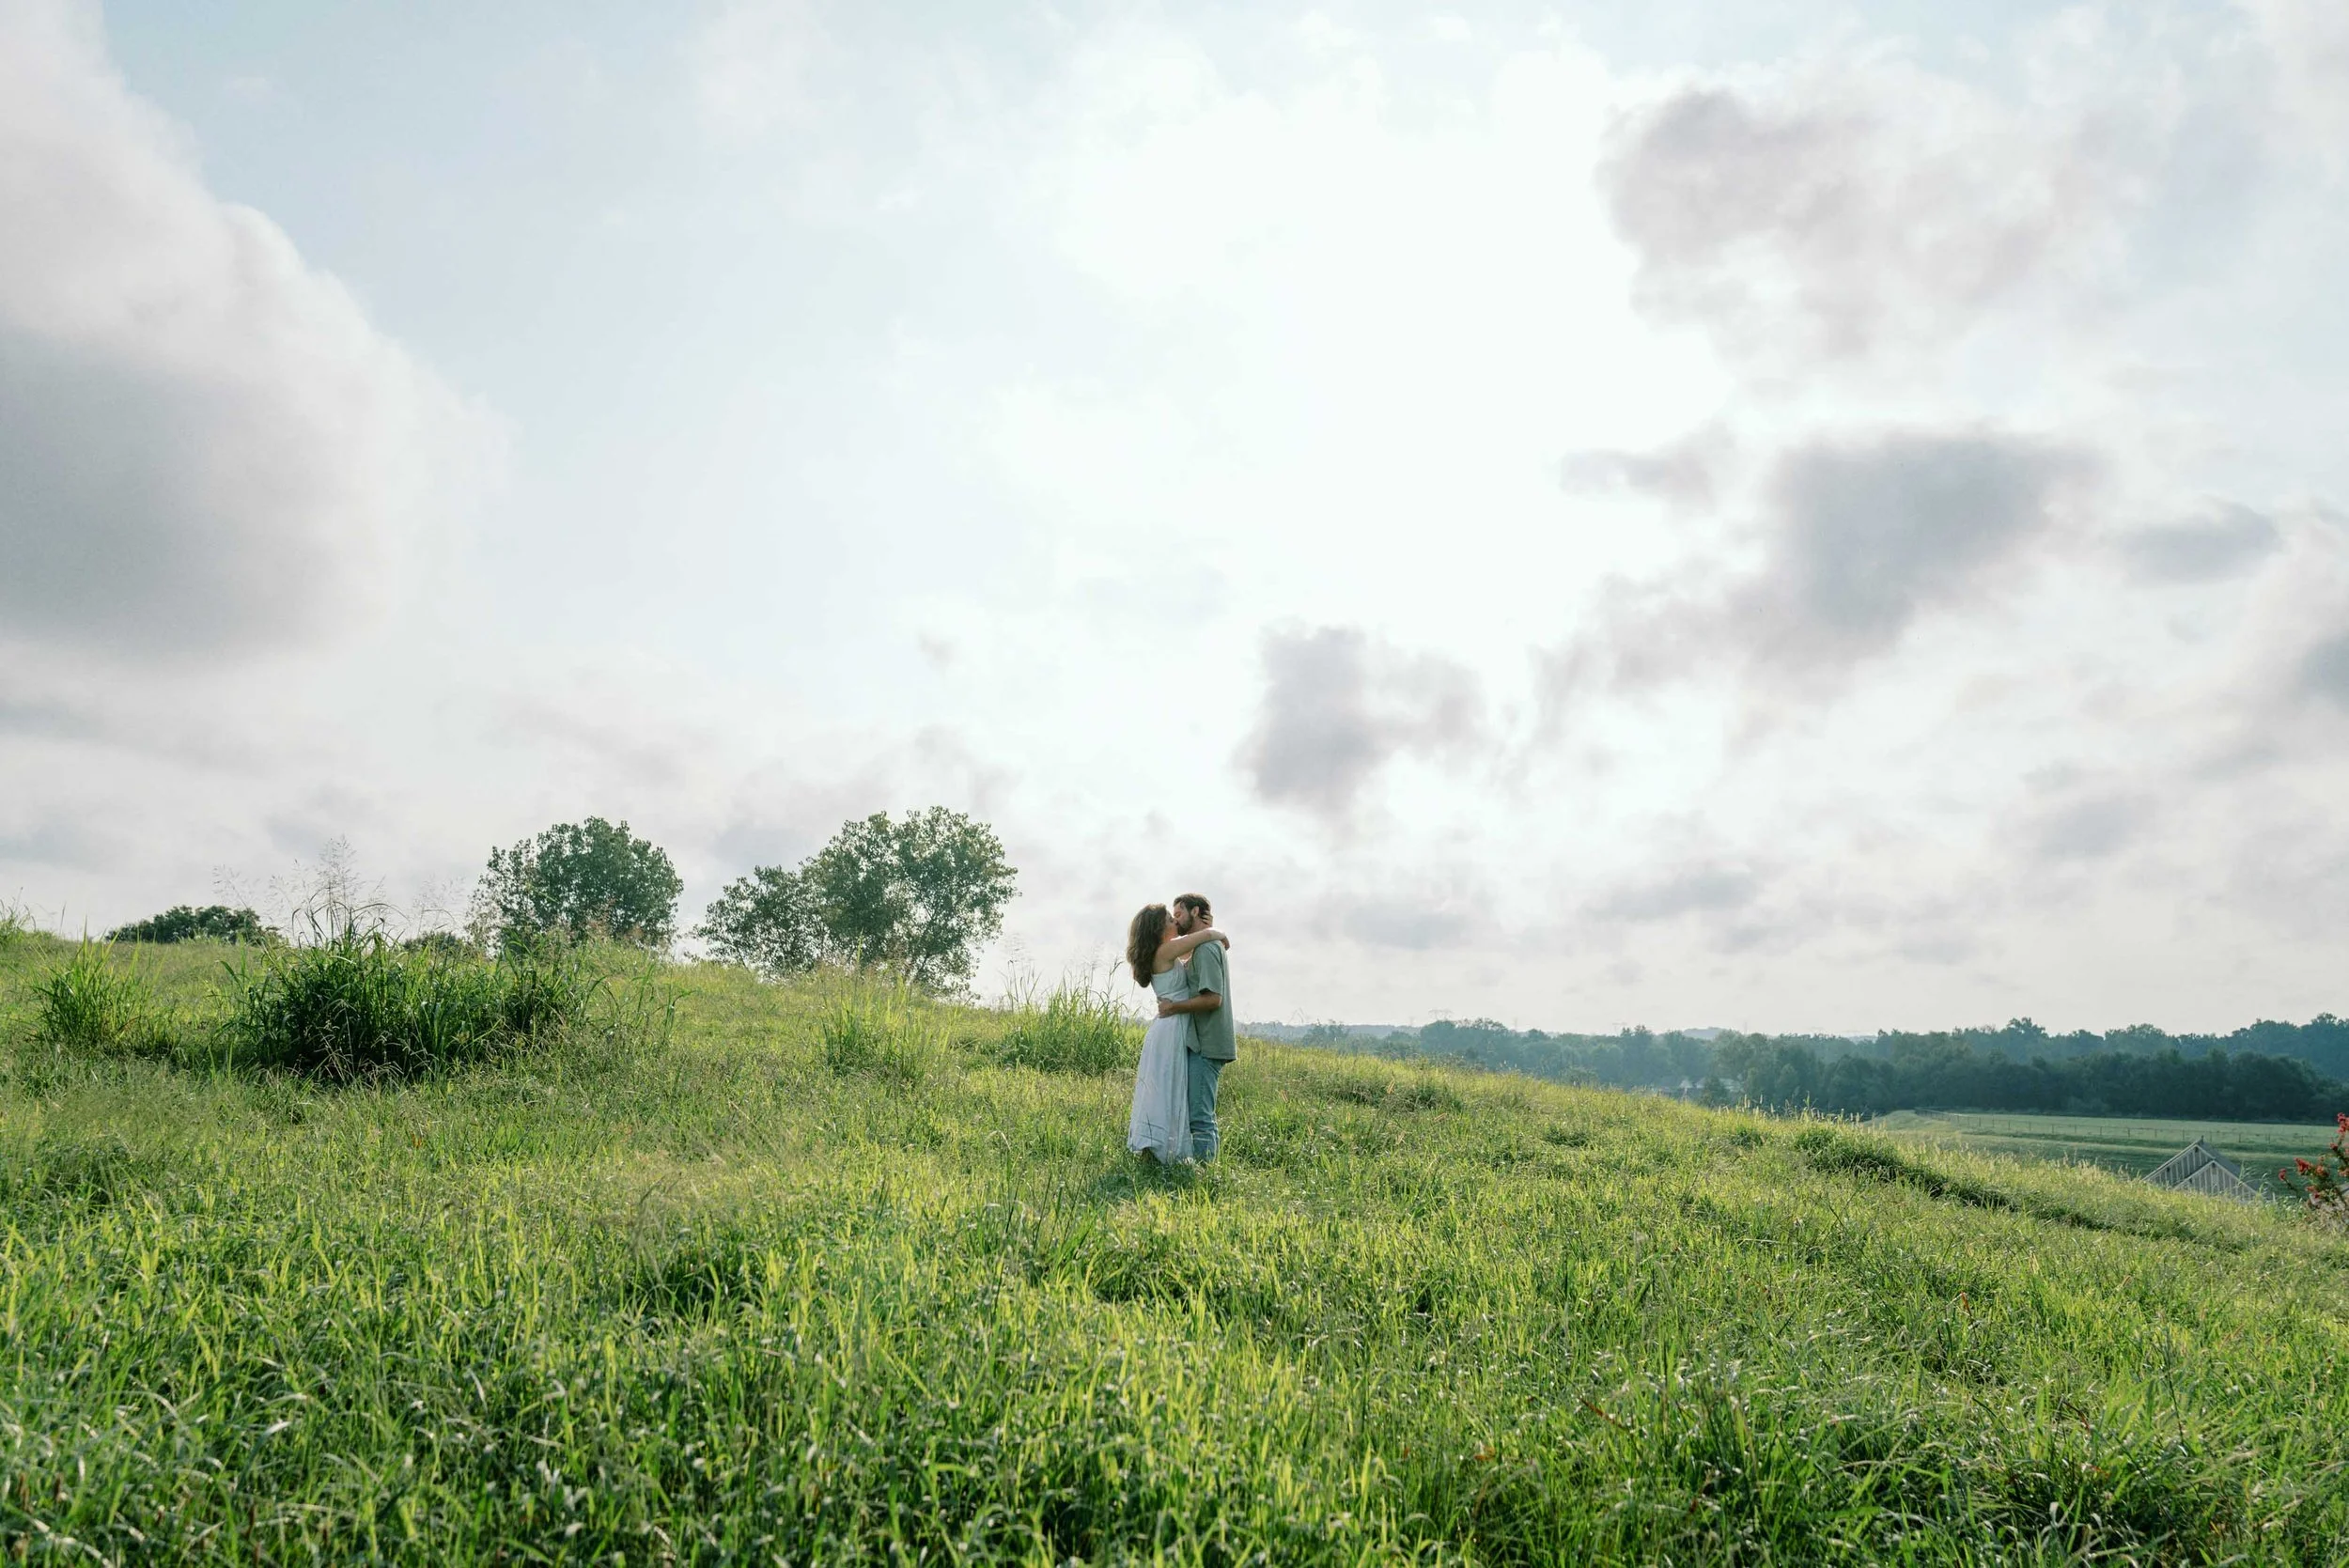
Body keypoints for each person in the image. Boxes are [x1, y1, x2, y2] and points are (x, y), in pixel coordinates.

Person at [1124, 902, 1229, 1163]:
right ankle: (1166, 1151)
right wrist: (1220, 934)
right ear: (1159, 929)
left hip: (1169, 1025)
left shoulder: (1164, 953)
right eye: (1170, 920)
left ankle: (1160, 1149)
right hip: (1172, 1025)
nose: (1175, 923)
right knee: (1169, 1088)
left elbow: (1193, 953)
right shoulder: (1167, 950)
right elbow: (1206, 936)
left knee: (1166, 1089)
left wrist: (1205, 931)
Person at [1155, 893, 1234, 1161]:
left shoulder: (1207, 949)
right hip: (1200, 1041)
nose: (1175, 920)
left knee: (1201, 1117)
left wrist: (1173, 1007)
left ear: (1195, 911)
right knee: (1198, 1112)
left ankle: (1204, 1173)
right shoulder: (1203, 947)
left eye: (1178, 914)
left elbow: (1213, 999)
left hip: (1208, 1043)